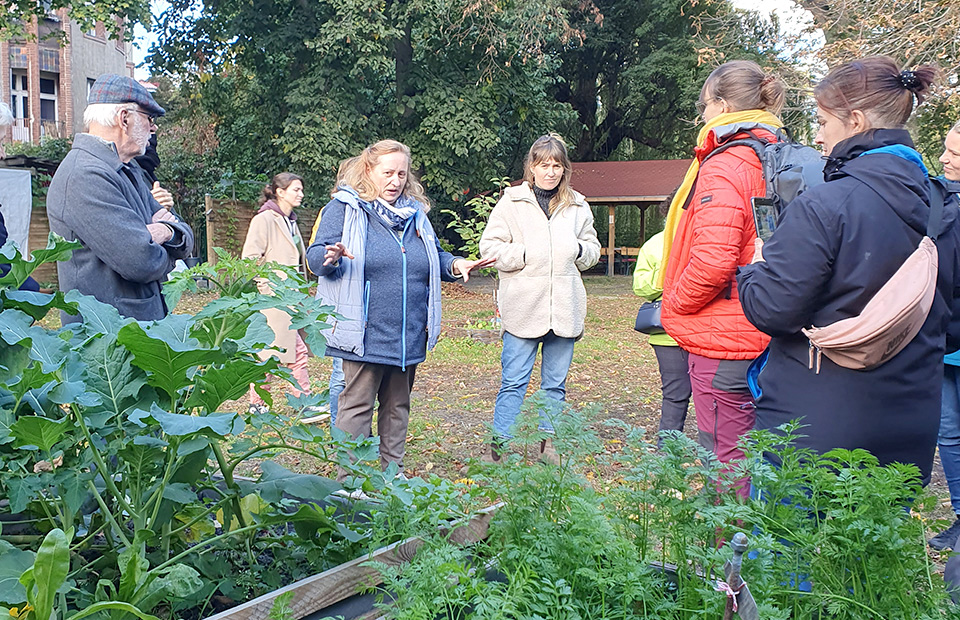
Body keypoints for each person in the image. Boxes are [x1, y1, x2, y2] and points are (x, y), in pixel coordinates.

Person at [737, 57, 960, 490]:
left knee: (790, 553)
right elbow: (950, 327)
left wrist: (756, 267)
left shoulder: (825, 204)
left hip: (810, 433)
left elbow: (772, 309)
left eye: (823, 121)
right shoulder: (946, 208)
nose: (818, 136)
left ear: (854, 120)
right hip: (907, 435)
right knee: (873, 556)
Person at [306, 139, 490, 480]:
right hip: (363, 329)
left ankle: (393, 475)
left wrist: (456, 265)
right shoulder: (346, 208)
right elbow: (316, 256)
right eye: (387, 172)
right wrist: (329, 256)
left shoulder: (415, 215)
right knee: (357, 406)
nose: (395, 181)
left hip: (408, 329)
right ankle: (354, 481)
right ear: (368, 171)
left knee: (397, 407)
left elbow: (433, 256)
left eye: (401, 174)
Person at [659, 60, 784, 471]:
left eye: (705, 107)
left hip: (722, 336)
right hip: (768, 327)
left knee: (724, 454)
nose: (703, 117)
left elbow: (713, 260)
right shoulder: (775, 155)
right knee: (760, 451)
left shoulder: (725, 164)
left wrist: (674, 304)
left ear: (722, 106)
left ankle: (727, 536)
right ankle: (759, 532)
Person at [479, 134, 601, 463]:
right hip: (523, 307)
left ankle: (549, 448)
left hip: (564, 308)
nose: (550, 171)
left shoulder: (577, 205)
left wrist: (577, 249)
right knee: (514, 381)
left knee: (555, 385)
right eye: (543, 165)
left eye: (556, 165)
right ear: (531, 168)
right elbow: (489, 248)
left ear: (565, 169)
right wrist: (523, 253)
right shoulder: (511, 203)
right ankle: (500, 449)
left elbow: (592, 250)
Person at [47, 74, 193, 323]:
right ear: (124, 119)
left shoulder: (128, 168)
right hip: (105, 344)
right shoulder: (85, 175)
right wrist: (163, 247)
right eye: (149, 118)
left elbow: (185, 235)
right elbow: (140, 262)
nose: (154, 127)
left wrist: (166, 232)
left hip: (135, 333)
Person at [242, 172, 316, 415]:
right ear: (279, 192)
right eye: (296, 189)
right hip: (275, 301)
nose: (301, 194)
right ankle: (299, 404)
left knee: (278, 354)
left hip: (293, 300)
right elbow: (250, 259)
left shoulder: (290, 221)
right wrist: (266, 286)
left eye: (301, 189)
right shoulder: (264, 219)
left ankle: (263, 404)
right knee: (276, 354)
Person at [929, 120, 960, 550]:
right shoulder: (938, 197)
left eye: (956, 153)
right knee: (948, 430)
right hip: (944, 338)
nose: (943, 158)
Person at [633, 228, 691, 448]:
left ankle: (714, 458)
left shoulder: (708, 238)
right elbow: (640, 286)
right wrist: (665, 276)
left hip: (707, 331)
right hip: (667, 335)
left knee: (714, 396)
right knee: (675, 394)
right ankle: (666, 453)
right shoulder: (655, 244)